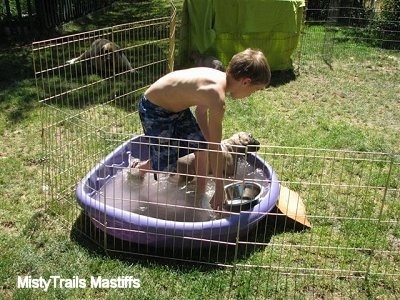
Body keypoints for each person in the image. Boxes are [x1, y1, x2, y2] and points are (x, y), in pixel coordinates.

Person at [134, 48, 271, 210]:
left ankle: (199, 197)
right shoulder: (216, 97)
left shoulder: (219, 80)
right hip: (154, 109)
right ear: (246, 82)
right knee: (164, 164)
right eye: (254, 91)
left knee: (202, 148)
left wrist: (206, 141)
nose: (250, 95)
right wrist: (220, 189)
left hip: (176, 109)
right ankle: (138, 170)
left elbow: (200, 112)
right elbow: (215, 146)